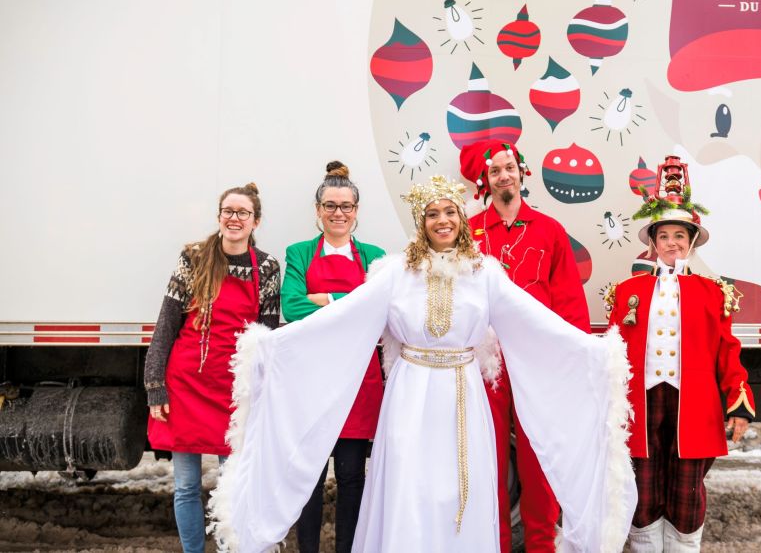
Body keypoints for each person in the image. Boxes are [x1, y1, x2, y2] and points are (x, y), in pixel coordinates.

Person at [209, 175, 636, 553]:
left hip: (462, 394)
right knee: (409, 488)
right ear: (421, 222)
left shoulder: (484, 273)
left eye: (450, 211)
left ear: (461, 218)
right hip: (410, 393)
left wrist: (594, 354)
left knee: (458, 489)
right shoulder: (395, 273)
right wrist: (270, 348)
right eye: (432, 214)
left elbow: (533, 321)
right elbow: (343, 318)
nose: (442, 220)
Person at [605, 156, 755, 552]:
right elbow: (612, 351)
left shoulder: (712, 292)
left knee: (687, 488)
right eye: (665, 236)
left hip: (694, 404)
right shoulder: (627, 291)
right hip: (644, 401)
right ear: (653, 243)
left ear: (690, 242)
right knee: (644, 484)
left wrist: (738, 402)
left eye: (680, 236)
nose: (672, 243)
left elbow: (727, 350)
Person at [458, 139, 590, 553]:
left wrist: (577, 356)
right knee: (490, 459)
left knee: (538, 459)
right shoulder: (469, 233)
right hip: (488, 363)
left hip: (539, 363)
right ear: (485, 182)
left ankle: (540, 545)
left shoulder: (549, 229)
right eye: (495, 170)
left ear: (522, 172)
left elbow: (568, 298)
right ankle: (494, 544)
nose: (504, 175)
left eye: (509, 167)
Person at [144, 183, 281, 553]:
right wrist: (155, 384)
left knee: (232, 485)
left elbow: (266, 336)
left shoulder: (267, 268)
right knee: (186, 485)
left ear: (256, 221)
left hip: (234, 390)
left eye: (243, 213)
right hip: (185, 384)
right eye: (228, 211)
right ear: (219, 216)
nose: (234, 218)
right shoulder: (193, 258)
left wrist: (262, 393)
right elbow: (166, 323)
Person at [281, 161, 386, 553]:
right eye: (330, 205)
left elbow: (377, 312)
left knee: (351, 476)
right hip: (310, 380)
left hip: (358, 380)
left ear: (356, 211)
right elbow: (291, 305)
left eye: (345, 205)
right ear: (318, 210)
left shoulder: (375, 256)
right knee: (307, 475)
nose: (338, 212)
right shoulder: (299, 253)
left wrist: (324, 300)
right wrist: (351, 305)